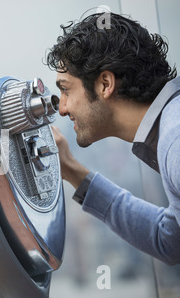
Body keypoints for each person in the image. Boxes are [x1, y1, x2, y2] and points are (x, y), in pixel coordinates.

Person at [45, 12, 180, 265]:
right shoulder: (170, 131)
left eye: (65, 89)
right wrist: (72, 170)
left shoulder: (176, 141)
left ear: (105, 84)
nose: (62, 108)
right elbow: (170, 240)